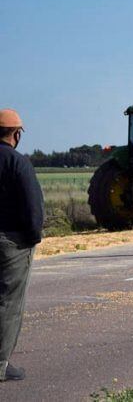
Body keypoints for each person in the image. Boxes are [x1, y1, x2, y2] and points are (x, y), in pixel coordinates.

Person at [0, 109, 44, 381]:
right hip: (12, 242)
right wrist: (33, 236)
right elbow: (33, 206)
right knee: (8, 303)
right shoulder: (18, 163)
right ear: (17, 134)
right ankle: (1, 364)